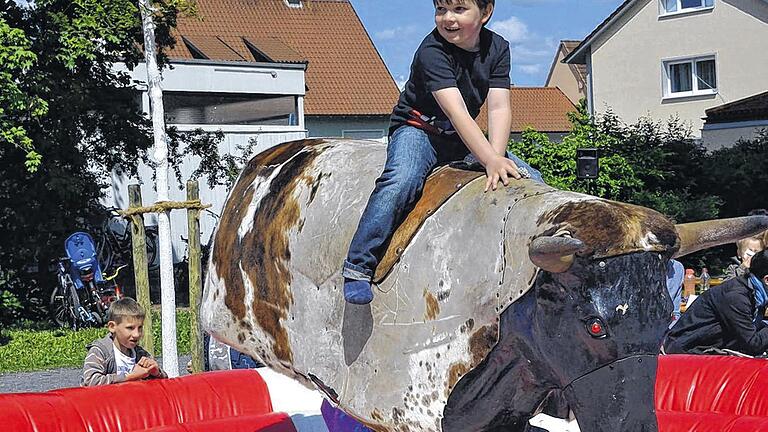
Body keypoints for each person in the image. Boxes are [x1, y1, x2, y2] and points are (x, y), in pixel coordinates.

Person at [343, 0, 543, 304]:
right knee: (402, 181)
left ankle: (540, 261)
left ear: (485, 12)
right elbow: (459, 113)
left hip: (458, 138)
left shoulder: (498, 48)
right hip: (418, 131)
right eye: (441, 10)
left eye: (459, 9)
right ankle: (359, 265)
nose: (447, 18)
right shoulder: (432, 52)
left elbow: (500, 107)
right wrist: (487, 158)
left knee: (529, 177)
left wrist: (497, 159)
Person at [663, 250, 768, 356]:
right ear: (766, 280)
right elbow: (753, 344)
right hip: (687, 352)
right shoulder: (736, 297)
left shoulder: (757, 293)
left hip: (712, 349)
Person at [81, 297, 166, 386]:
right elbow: (90, 381)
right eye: (130, 328)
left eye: (140, 328)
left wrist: (157, 373)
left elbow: (163, 386)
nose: (136, 334)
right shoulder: (100, 352)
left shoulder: (140, 354)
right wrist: (129, 377)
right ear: (112, 327)